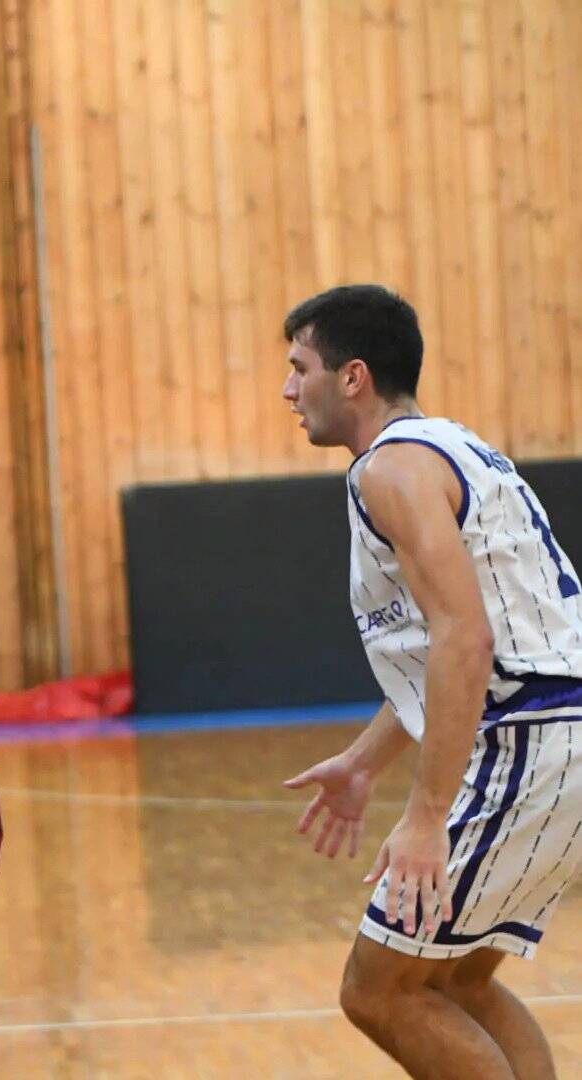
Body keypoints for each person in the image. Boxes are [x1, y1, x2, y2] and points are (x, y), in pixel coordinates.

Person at [279, 285, 582, 1080]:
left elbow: (466, 640)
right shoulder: (454, 447)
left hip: (531, 739)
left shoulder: (392, 469)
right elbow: (459, 649)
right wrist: (364, 762)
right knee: (455, 980)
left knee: (377, 991)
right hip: (557, 734)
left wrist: (425, 818)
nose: (287, 390)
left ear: (352, 376)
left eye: (300, 368)